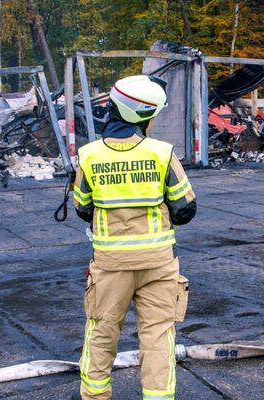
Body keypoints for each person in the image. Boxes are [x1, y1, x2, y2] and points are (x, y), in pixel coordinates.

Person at [72, 75, 197, 399]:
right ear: (146, 116)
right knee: (157, 335)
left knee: (101, 332)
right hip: (158, 264)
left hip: (110, 266)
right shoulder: (162, 153)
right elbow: (186, 209)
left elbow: (82, 208)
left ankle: (95, 396)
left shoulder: (89, 156)